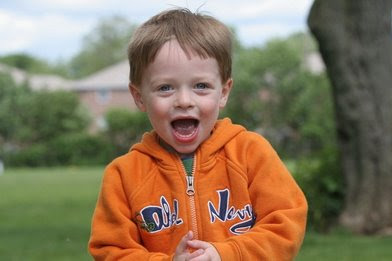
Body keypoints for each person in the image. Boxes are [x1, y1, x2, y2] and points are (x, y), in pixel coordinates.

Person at [88, 8, 307, 261]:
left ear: (223, 92)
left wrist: (227, 254)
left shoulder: (251, 153)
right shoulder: (124, 176)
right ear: (139, 97)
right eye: (165, 87)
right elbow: (111, 250)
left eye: (200, 86)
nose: (184, 100)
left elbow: (285, 223)